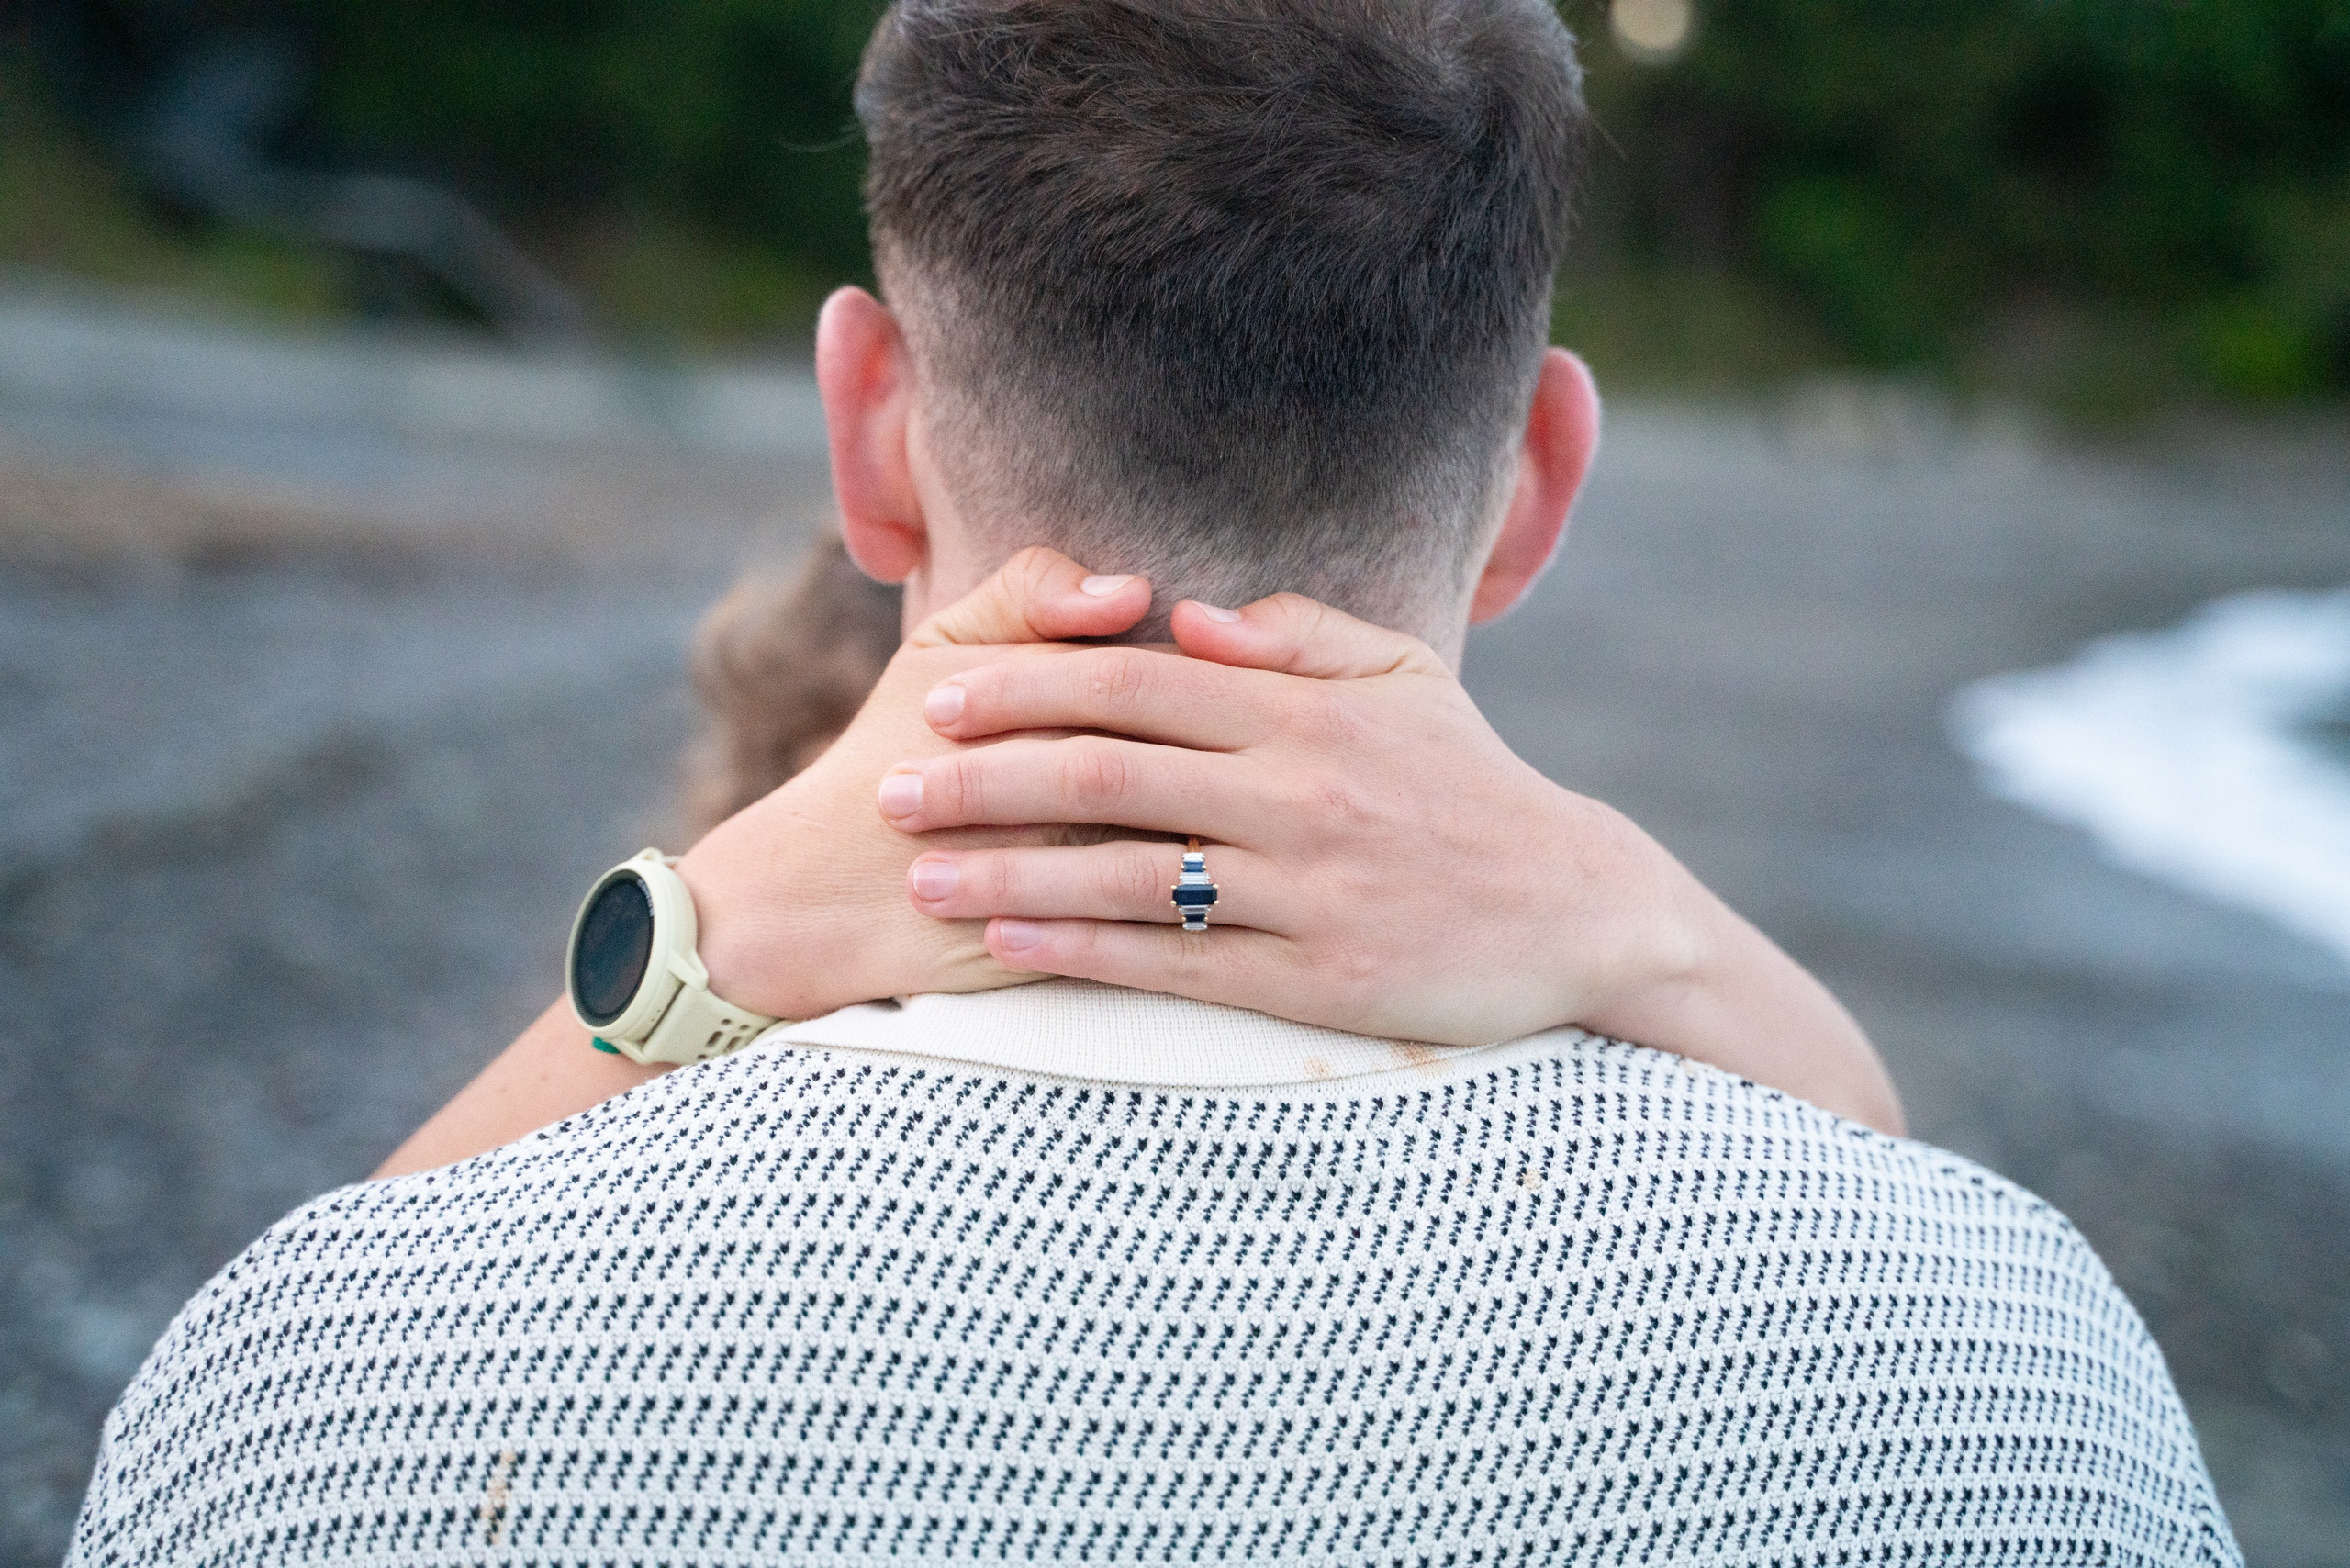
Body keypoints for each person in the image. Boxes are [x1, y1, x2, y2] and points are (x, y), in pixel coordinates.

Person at [72, 1, 2237, 1562]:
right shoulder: (2020, 1381)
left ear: (865, 430)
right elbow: (1912, 1223)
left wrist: (705, 932)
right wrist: (1650, 927)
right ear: (1537, 477)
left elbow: (281, 1363)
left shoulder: (319, 1404)